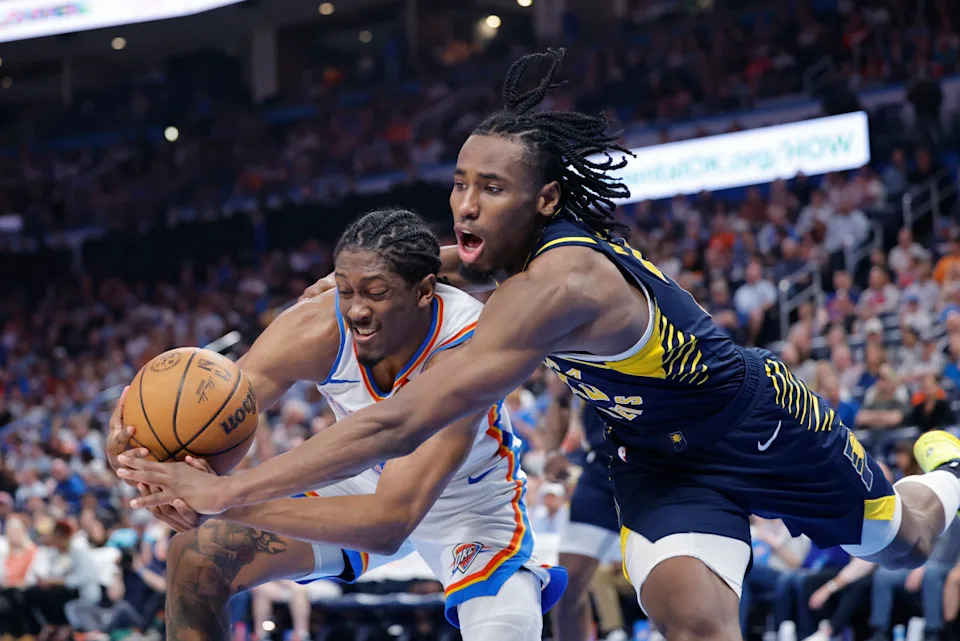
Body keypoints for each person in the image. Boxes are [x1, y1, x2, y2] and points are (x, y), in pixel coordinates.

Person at [119, 49, 960, 641]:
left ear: (547, 198)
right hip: (656, 457)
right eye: (459, 183)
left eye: (492, 188)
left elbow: (395, 426)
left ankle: (949, 477)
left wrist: (226, 491)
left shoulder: (558, 288)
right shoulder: (493, 260)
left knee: (903, 541)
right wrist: (149, 443)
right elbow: (439, 263)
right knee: (688, 619)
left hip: (758, 424)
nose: (466, 205)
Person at [110, 208, 564, 641]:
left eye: (376, 292)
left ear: (425, 291)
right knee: (196, 556)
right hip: (364, 482)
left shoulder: (467, 346)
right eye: (346, 290)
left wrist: (221, 499)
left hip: (471, 508)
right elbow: (217, 418)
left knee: (506, 630)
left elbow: (390, 522)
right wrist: (139, 455)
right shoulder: (314, 327)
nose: (356, 310)